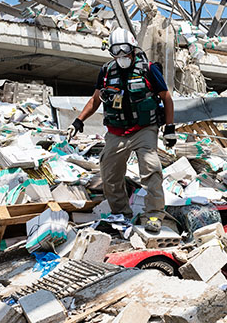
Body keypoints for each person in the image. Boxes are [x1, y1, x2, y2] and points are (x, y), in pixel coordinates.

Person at [66, 28, 176, 233]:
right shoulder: (107, 71)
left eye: (124, 53)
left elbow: (166, 97)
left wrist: (170, 128)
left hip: (144, 129)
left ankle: (153, 214)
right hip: (117, 131)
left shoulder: (149, 69)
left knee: (151, 168)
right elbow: (95, 99)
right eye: (116, 53)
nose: (121, 57)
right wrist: (78, 121)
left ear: (133, 48)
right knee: (110, 172)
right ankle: (121, 213)